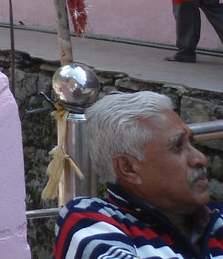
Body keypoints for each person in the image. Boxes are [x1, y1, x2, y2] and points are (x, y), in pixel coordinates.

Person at [55, 91, 222, 259]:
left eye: (191, 142)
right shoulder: (88, 222)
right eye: (178, 146)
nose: (201, 158)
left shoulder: (217, 218)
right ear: (129, 168)